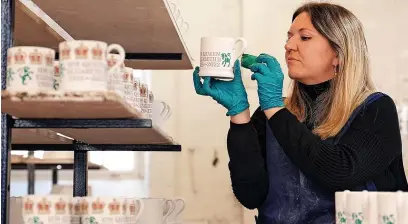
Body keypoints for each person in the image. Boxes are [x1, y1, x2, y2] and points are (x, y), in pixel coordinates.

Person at [193, 2, 408, 224]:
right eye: (289, 37)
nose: (289, 45)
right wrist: (240, 115)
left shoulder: (375, 109)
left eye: (304, 37)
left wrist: (275, 108)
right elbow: (250, 195)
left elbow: (341, 171)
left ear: (339, 54)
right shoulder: (271, 115)